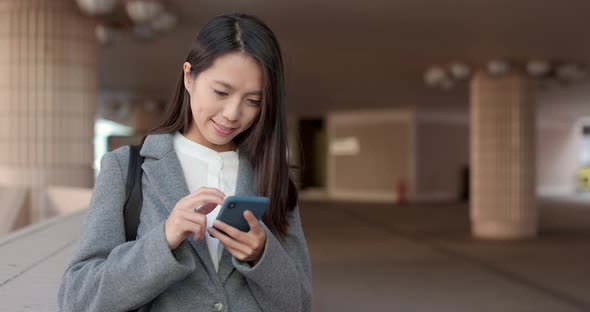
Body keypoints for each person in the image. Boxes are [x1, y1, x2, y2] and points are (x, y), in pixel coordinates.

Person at [58, 13, 312, 312]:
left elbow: (300, 304)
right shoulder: (125, 168)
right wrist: (163, 241)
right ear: (189, 76)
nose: (232, 113)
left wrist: (261, 256)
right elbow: (77, 297)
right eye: (221, 92)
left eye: (253, 101)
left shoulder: (274, 177)